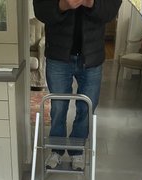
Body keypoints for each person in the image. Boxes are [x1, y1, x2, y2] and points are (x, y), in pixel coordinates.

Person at [33, 0, 122, 170]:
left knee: (87, 108)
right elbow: (40, 10)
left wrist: (90, 3)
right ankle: (57, 151)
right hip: (58, 55)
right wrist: (63, 5)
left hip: (92, 56)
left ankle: (77, 151)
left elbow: (110, 11)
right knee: (58, 107)